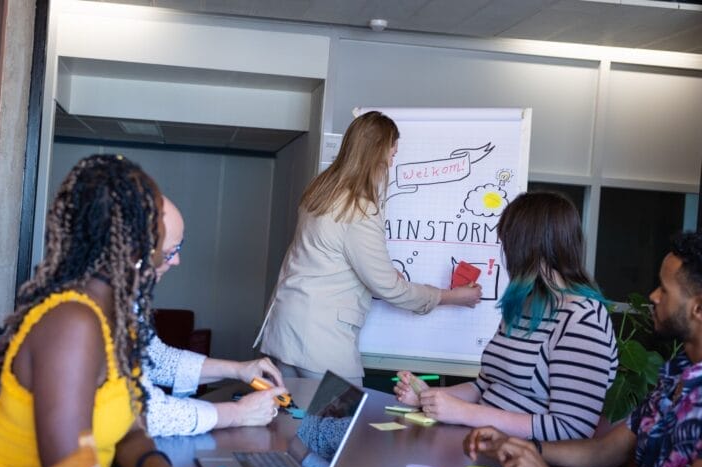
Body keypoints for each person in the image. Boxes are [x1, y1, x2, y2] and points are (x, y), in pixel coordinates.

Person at [0, 155, 278, 467]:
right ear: (136, 243)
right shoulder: (72, 323)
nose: (172, 254)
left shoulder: (118, 319)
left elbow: (130, 432)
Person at [463, 231, 702, 467]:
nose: (653, 296)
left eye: (664, 289)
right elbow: (604, 451)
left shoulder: (583, 317)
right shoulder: (676, 373)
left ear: (698, 308)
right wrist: (520, 448)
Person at [258, 111, 482, 386]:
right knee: (336, 426)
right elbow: (387, 288)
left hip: (287, 331)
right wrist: (452, 296)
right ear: (376, 154)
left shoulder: (320, 192)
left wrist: (382, 275)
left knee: (293, 423)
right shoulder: (359, 207)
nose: (391, 162)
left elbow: (334, 260)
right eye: (392, 153)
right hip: (321, 340)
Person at [395, 191, 619, 441]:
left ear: (527, 247)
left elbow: (571, 429)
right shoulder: (524, 304)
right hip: (482, 445)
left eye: (508, 243)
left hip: (523, 464)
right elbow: (483, 386)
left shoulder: (582, 319)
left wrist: (466, 413)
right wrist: (430, 396)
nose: (506, 255)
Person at [144, 197, 289, 436]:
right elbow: (146, 412)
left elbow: (156, 360)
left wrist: (239, 370)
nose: (177, 260)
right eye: (170, 252)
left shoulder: (123, 302)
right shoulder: (89, 312)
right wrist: (238, 413)